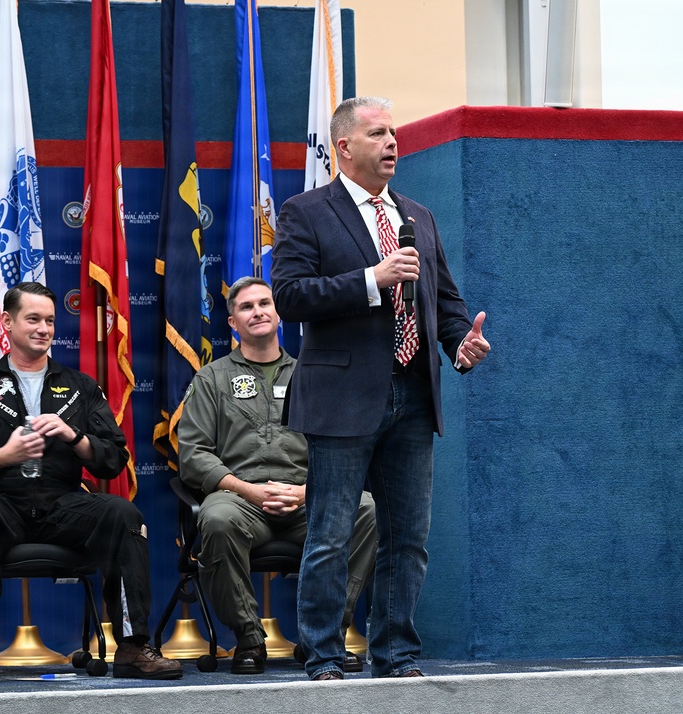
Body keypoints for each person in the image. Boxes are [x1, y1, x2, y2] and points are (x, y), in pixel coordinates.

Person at [270, 97, 491, 681]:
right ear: (344, 147)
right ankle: (321, 655)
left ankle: (394, 654)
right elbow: (290, 295)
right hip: (343, 396)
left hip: (413, 394)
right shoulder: (306, 211)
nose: (393, 142)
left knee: (407, 538)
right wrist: (371, 280)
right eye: (378, 134)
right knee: (331, 535)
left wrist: (458, 341)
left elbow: (442, 299)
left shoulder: (417, 213)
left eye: (394, 132)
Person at [0, 282, 182, 686]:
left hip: (62, 506)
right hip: (2, 505)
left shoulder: (80, 388)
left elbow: (113, 459)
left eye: (50, 320)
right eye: (33, 319)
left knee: (123, 513)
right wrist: (4, 456)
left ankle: (132, 645)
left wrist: (76, 437)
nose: (44, 328)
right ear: (7, 323)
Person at [178, 276, 377, 675]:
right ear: (232, 323)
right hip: (240, 500)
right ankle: (249, 640)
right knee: (215, 518)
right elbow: (193, 455)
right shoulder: (212, 380)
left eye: (265, 303)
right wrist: (248, 491)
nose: (258, 312)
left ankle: (322, 638)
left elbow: (343, 448)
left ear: (279, 312)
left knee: (365, 508)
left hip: (308, 499)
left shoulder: (314, 376)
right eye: (247, 307)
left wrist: (307, 492)